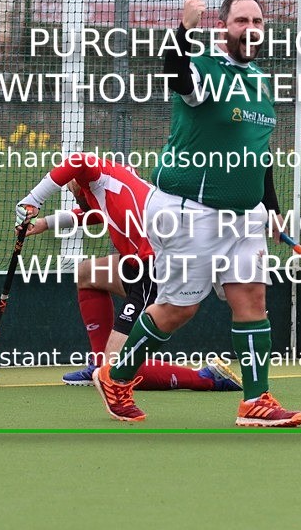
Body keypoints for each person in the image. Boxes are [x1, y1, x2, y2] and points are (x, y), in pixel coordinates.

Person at [91, 0, 301, 427]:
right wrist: (184, 29)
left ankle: (255, 401)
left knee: (252, 299)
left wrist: (271, 207)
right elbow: (175, 73)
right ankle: (117, 376)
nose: (250, 26)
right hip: (191, 210)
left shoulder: (262, 82)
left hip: (243, 216)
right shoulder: (206, 67)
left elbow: (256, 152)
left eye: (257, 20)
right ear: (224, 27)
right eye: (241, 19)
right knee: (178, 310)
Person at [16, 153, 242, 392]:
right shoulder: (108, 185)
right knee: (87, 274)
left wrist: (33, 199)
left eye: (72, 185)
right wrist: (45, 223)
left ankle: (206, 377)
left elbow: (77, 161)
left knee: (116, 368)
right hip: (136, 262)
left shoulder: (96, 175)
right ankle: (98, 363)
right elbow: (93, 212)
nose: (72, 189)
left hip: (156, 268)